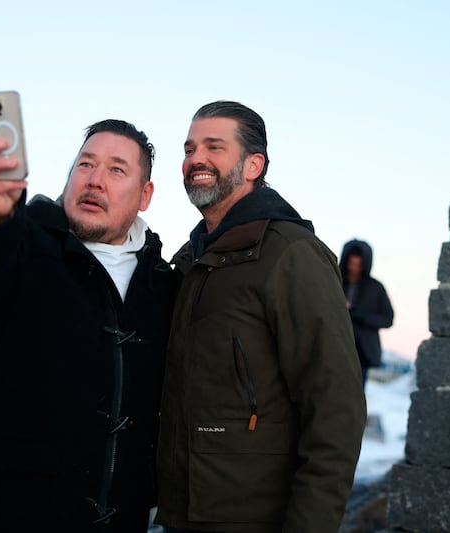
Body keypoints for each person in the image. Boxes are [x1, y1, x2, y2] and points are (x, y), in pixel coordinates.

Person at [0, 119, 175, 532]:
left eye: (116, 169)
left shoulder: (164, 284)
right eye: (85, 164)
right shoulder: (24, 243)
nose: (95, 180)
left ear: (145, 195)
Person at [154, 101, 366, 533]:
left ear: (254, 165)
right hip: (184, 516)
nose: (196, 159)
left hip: (256, 519)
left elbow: (336, 410)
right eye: (190, 148)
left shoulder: (290, 254)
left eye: (214, 147)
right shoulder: (190, 261)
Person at [339, 239, 394, 389]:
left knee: (356, 393)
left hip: (362, 352)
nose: (354, 268)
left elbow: (388, 319)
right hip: (335, 345)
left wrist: (360, 315)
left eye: (358, 264)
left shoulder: (376, 288)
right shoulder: (334, 281)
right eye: (351, 263)